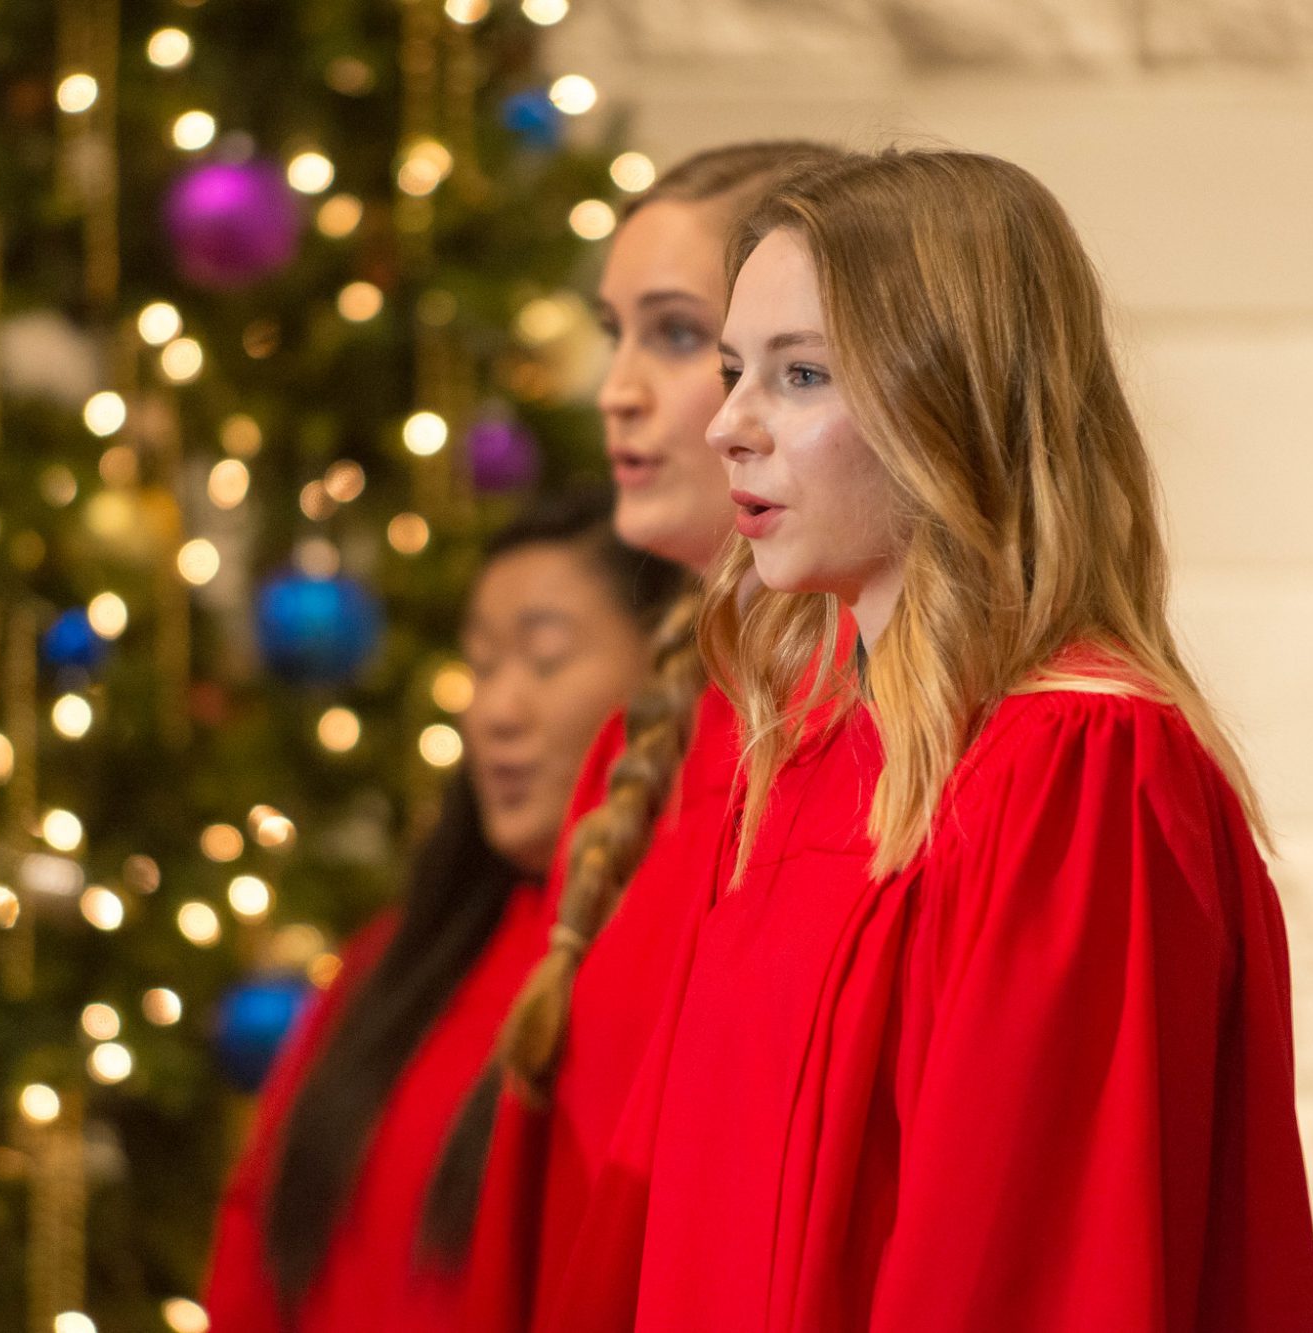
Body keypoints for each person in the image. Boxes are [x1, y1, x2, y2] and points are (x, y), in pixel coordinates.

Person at [554, 147, 1313, 1330]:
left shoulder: (1075, 773)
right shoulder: (802, 768)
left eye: (799, 374)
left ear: (950, 402)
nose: (727, 426)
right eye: (729, 370)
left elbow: (1032, 1275)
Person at [419, 142, 850, 1333]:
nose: (616, 388)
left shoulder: (876, 755)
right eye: (615, 333)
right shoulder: (645, 751)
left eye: (676, 339)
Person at [201, 490, 680, 1332]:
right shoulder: (390, 959)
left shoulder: (673, 975)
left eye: (543, 658)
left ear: (666, 674)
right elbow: (253, 1238)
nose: (493, 709)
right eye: (483, 664)